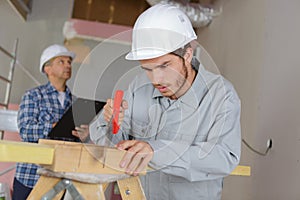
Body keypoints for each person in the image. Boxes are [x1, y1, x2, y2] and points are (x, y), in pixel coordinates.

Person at [90, 3, 241, 200]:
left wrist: (157, 151)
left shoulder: (221, 95)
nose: (155, 80)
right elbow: (112, 146)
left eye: (164, 66)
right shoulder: (138, 87)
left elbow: (224, 157)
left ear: (187, 54)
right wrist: (110, 123)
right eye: (147, 69)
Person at [12, 44, 89, 200]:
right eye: (61, 61)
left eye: (69, 62)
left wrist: (85, 136)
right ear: (47, 69)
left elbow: (76, 142)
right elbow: (26, 131)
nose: (68, 65)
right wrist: (55, 127)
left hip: (60, 179)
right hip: (30, 177)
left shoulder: (76, 102)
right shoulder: (33, 96)